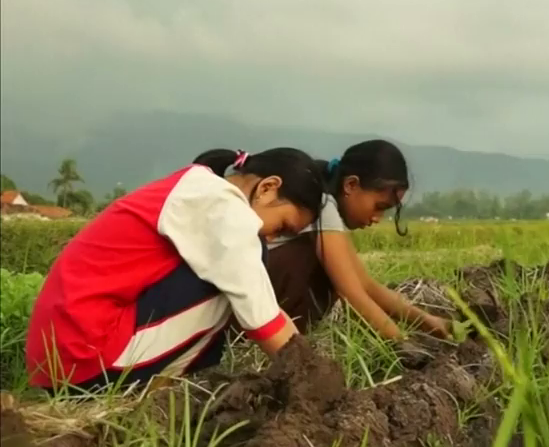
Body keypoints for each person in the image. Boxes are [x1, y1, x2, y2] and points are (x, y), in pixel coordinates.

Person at [26, 148, 325, 393]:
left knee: (240, 273)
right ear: (268, 188)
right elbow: (263, 320)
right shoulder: (222, 207)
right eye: (282, 227)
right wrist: (313, 384)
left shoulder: (198, 188)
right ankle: (163, 390)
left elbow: (266, 307)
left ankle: (168, 388)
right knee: (244, 266)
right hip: (85, 360)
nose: (272, 237)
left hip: (63, 357)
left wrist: (309, 359)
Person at [264, 139, 451, 341]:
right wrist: (402, 343)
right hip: (247, 301)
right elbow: (352, 294)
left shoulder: (324, 206)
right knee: (322, 268)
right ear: (351, 185)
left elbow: (365, 284)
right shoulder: (322, 205)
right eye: (379, 207)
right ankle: (283, 339)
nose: (377, 218)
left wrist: (428, 322)